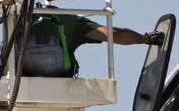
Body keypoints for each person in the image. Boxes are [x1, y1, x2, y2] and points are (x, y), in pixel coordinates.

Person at [22, 8, 163, 77]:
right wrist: (146, 39)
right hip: (60, 73)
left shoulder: (20, 19)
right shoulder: (71, 20)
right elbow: (115, 35)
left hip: (26, 73)